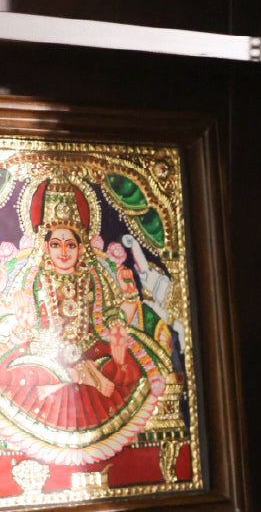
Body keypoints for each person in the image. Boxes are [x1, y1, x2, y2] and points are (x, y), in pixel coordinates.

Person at [0, 172, 170, 466]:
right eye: (56, 245)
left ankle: (77, 377)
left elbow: (113, 319)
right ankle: (77, 377)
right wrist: (23, 323)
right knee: (17, 376)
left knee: (125, 370)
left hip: (92, 350)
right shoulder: (34, 279)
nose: (64, 252)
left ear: (81, 247)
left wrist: (129, 300)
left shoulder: (93, 278)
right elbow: (22, 326)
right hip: (44, 358)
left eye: (71, 244)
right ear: (45, 247)